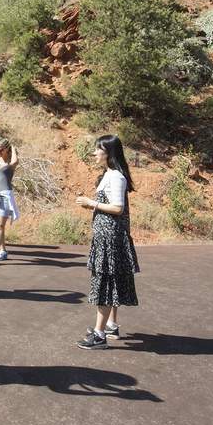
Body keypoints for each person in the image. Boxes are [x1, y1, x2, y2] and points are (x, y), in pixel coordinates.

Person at [74, 135, 140, 350]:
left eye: (98, 150)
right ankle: (110, 325)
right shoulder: (108, 175)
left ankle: (99, 334)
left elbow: (117, 208)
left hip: (110, 239)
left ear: (109, 153)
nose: (94, 153)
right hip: (106, 237)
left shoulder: (115, 177)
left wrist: (90, 203)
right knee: (110, 282)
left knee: (105, 284)